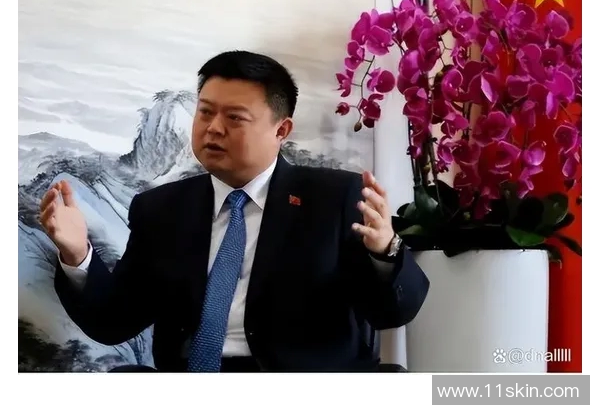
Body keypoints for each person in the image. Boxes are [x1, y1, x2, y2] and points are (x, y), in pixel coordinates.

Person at [39, 50, 430, 372]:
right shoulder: (161, 209)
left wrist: (386, 251)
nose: (213, 128)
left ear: (281, 130)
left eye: (234, 118)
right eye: (205, 112)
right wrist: (77, 255)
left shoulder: (336, 198)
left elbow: (394, 312)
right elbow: (113, 321)